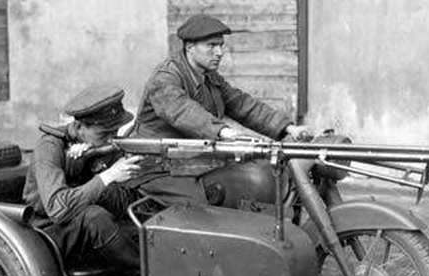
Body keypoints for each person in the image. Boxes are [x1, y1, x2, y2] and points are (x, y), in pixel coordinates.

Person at [131, 14, 312, 203]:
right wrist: (223, 132)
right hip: (157, 168)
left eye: (221, 45)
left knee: (261, 176)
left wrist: (288, 128)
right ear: (190, 47)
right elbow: (182, 111)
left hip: (193, 162)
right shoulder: (165, 78)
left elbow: (242, 104)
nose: (219, 52)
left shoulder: (209, 76)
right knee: (206, 209)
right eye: (211, 45)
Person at [22, 84, 142, 276]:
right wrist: (106, 177)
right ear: (79, 127)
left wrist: (94, 167)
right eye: (103, 134)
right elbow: (58, 209)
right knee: (95, 217)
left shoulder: (99, 147)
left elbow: (123, 205)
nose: (111, 140)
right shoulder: (49, 146)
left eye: (115, 132)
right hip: (44, 232)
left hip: (82, 229)